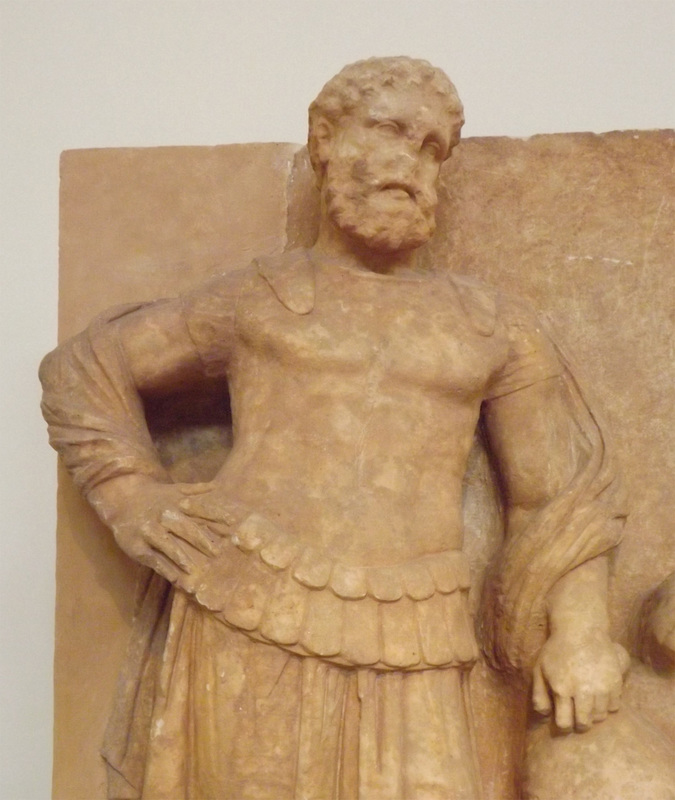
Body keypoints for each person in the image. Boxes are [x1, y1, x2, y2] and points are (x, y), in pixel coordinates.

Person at [40, 57, 627, 800]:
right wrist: (130, 495)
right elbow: (83, 366)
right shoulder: (260, 299)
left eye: (431, 148)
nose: (410, 163)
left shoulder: (489, 324)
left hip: (415, 634)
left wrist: (579, 633)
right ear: (323, 139)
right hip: (247, 611)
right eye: (388, 130)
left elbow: (558, 496)